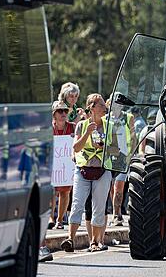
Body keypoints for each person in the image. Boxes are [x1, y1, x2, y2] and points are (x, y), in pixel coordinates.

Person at [60, 94, 113, 253]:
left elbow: (117, 149)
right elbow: (76, 148)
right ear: (92, 107)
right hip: (83, 169)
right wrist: (87, 133)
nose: (105, 108)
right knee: (77, 205)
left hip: (102, 171)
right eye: (101, 105)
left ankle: (95, 242)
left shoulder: (109, 125)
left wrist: (103, 147)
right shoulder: (81, 126)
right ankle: (70, 239)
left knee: (98, 207)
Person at [52, 100, 75, 229]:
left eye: (65, 111)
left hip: (66, 167)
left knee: (65, 192)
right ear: (54, 114)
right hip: (53, 166)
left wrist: (75, 137)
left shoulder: (72, 127)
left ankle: (59, 220)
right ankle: (50, 218)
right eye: (60, 111)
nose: (63, 113)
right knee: (52, 192)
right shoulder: (49, 128)